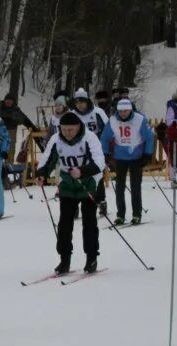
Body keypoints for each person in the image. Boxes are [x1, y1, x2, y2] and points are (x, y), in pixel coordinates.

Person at [36, 111, 107, 275]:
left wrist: (82, 172)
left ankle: (91, 258)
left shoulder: (89, 138)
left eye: (71, 130)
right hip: (68, 184)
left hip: (89, 182)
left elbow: (99, 162)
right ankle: (64, 259)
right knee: (64, 224)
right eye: (64, 129)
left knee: (89, 222)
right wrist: (42, 174)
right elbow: (47, 159)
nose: (67, 133)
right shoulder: (56, 139)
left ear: (78, 127)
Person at [99, 98, 154, 225]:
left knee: (135, 187)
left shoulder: (140, 119)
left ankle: (136, 214)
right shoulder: (113, 120)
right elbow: (105, 137)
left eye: (126, 111)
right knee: (119, 188)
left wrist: (147, 154)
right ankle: (120, 215)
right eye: (121, 111)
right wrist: (106, 153)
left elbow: (149, 137)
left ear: (130, 109)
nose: (123, 113)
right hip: (120, 157)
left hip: (136, 157)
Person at [72, 89, 110, 216]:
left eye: (82, 101)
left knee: (97, 177)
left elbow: (107, 130)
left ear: (87, 101)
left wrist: (105, 149)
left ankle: (101, 202)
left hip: (95, 150)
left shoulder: (97, 112)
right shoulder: (72, 115)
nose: (80, 104)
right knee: (77, 177)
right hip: (79, 150)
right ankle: (76, 204)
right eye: (77, 102)